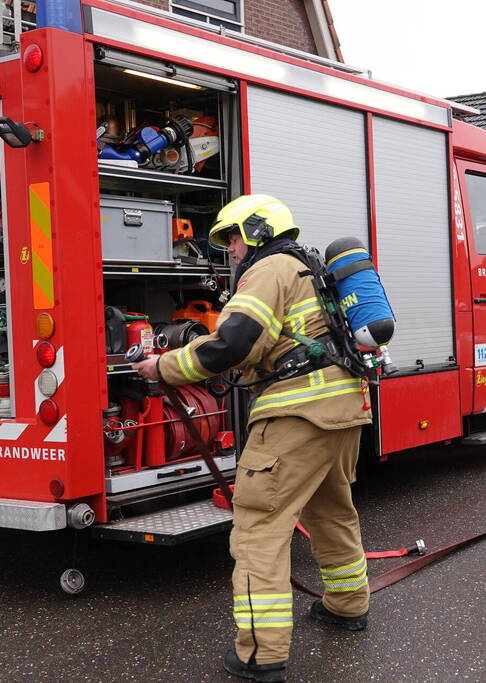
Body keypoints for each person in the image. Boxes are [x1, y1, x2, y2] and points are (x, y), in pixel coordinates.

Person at [132, 194, 372, 683]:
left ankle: (260, 655)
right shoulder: (312, 268)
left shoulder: (268, 270)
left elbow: (232, 344)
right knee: (331, 510)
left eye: (235, 238)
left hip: (295, 415)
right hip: (343, 410)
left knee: (259, 530)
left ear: (257, 231)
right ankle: (348, 604)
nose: (232, 250)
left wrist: (165, 367)